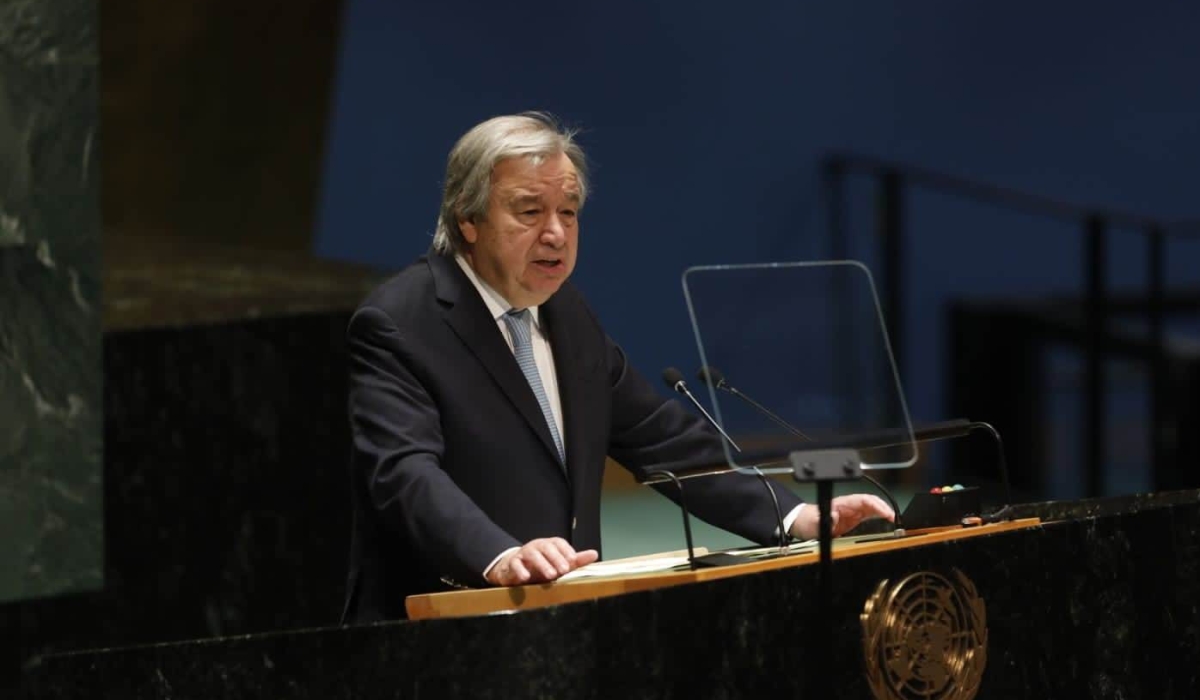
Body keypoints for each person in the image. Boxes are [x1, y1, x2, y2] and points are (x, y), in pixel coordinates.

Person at [341, 112, 893, 623]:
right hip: (434, 631)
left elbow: (661, 441)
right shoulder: (399, 323)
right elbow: (404, 474)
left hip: (561, 623)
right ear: (468, 220)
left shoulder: (565, 313)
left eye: (568, 212)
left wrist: (795, 519)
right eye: (530, 211)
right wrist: (500, 554)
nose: (555, 232)